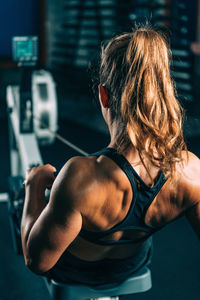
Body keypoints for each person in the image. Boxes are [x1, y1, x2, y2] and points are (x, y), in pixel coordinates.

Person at [21, 25, 200, 286]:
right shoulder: (191, 171)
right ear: (163, 94)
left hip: (74, 273)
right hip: (130, 267)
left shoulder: (78, 176)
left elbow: (37, 262)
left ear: (103, 95)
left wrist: (34, 186)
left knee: (23, 208)